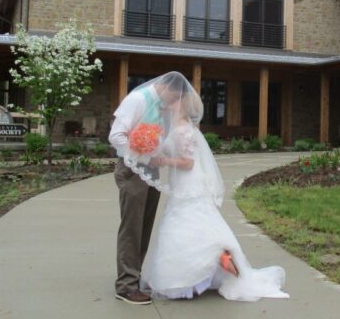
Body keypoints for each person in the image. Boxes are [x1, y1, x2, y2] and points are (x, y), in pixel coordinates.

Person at [140, 80, 289, 302]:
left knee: (187, 225)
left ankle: (208, 266)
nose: (168, 106)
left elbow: (188, 163)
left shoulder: (183, 131)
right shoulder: (183, 129)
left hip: (188, 186)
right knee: (193, 226)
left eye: (172, 102)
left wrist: (162, 159)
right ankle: (217, 260)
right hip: (186, 185)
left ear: (180, 105)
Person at [108, 71, 189, 305]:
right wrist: (143, 158)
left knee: (144, 227)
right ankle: (125, 285)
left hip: (151, 171)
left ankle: (134, 277)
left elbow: (159, 139)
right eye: (173, 97)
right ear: (164, 86)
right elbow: (117, 136)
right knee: (131, 228)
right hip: (132, 169)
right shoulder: (138, 99)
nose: (173, 103)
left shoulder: (163, 106)